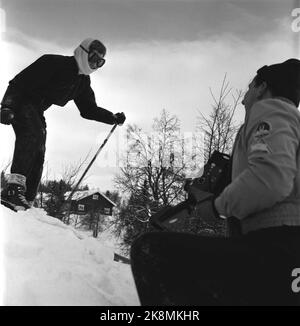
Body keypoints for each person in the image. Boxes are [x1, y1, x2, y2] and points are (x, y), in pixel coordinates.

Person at [130, 58, 300, 306]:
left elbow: (270, 180)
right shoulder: (288, 125)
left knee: (149, 250)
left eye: (249, 87)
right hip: (282, 255)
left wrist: (217, 207)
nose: (244, 98)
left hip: (276, 249)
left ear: (262, 87)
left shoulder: (272, 110)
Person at [0, 38, 126, 211]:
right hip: (23, 102)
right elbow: (19, 82)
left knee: (39, 148)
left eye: (100, 62)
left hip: (37, 111)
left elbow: (88, 109)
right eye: (94, 58)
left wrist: (112, 117)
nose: (95, 65)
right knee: (33, 135)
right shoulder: (53, 62)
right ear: (83, 51)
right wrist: (7, 106)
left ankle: (26, 198)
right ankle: (13, 191)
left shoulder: (82, 82)